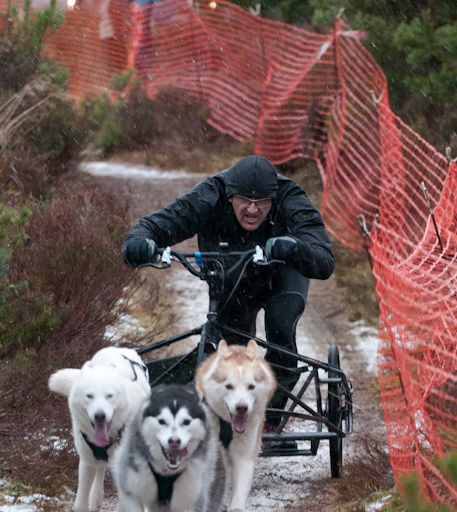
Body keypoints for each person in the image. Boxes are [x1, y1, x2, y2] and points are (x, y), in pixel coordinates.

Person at [122, 155, 335, 425]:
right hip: (230, 275)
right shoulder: (210, 195)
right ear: (230, 195)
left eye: (262, 203)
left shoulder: (289, 196)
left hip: (282, 273)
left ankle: (271, 420)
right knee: (231, 349)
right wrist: (138, 242)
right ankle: (225, 416)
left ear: (274, 197)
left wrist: (293, 248)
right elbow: (158, 224)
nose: (253, 210)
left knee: (281, 328)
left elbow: (324, 260)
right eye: (245, 200)